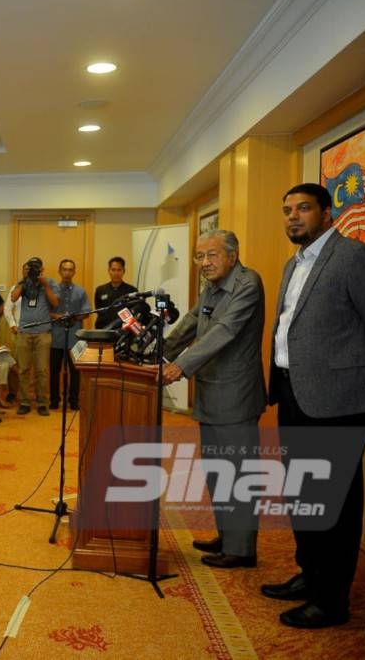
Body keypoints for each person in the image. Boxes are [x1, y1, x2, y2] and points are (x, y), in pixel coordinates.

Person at [262, 183, 365, 629]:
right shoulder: (294, 263)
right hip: (294, 393)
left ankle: (332, 599)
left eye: (303, 208)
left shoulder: (353, 256)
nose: (293, 217)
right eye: (287, 210)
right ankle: (311, 574)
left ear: (327, 212)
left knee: (335, 501)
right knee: (304, 494)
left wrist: (359, 378)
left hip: (340, 401)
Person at [162, 229, 266, 569]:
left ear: (232, 256)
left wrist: (180, 365)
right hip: (212, 391)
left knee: (238, 473)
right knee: (219, 472)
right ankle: (228, 537)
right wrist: (156, 353)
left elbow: (225, 330)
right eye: (198, 257)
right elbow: (190, 323)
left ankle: (242, 550)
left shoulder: (247, 284)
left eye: (211, 255)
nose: (204, 263)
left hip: (236, 394)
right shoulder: (212, 286)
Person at [9, 257, 59, 415]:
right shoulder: (23, 282)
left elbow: (55, 302)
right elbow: (13, 298)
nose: (33, 271)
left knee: (42, 370)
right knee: (23, 369)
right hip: (24, 332)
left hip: (43, 332)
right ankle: (24, 401)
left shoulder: (49, 282)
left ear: (42, 269)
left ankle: (42, 403)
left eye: (36, 268)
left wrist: (44, 284)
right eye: (31, 268)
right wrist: (24, 280)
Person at [49, 259, 90, 411]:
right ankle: (54, 400)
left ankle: (74, 400)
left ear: (74, 272)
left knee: (75, 371)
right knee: (54, 370)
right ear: (60, 271)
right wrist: (57, 316)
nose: (67, 272)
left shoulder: (81, 291)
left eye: (70, 269)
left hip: (75, 338)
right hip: (56, 337)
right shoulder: (52, 291)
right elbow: (46, 312)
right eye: (64, 269)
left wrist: (75, 317)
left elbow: (87, 311)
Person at [94, 256, 137, 327]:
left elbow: (133, 312)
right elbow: (99, 311)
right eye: (113, 270)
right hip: (104, 329)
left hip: (124, 330)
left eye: (119, 270)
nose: (116, 273)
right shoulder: (100, 290)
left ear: (124, 271)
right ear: (109, 270)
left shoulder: (132, 290)